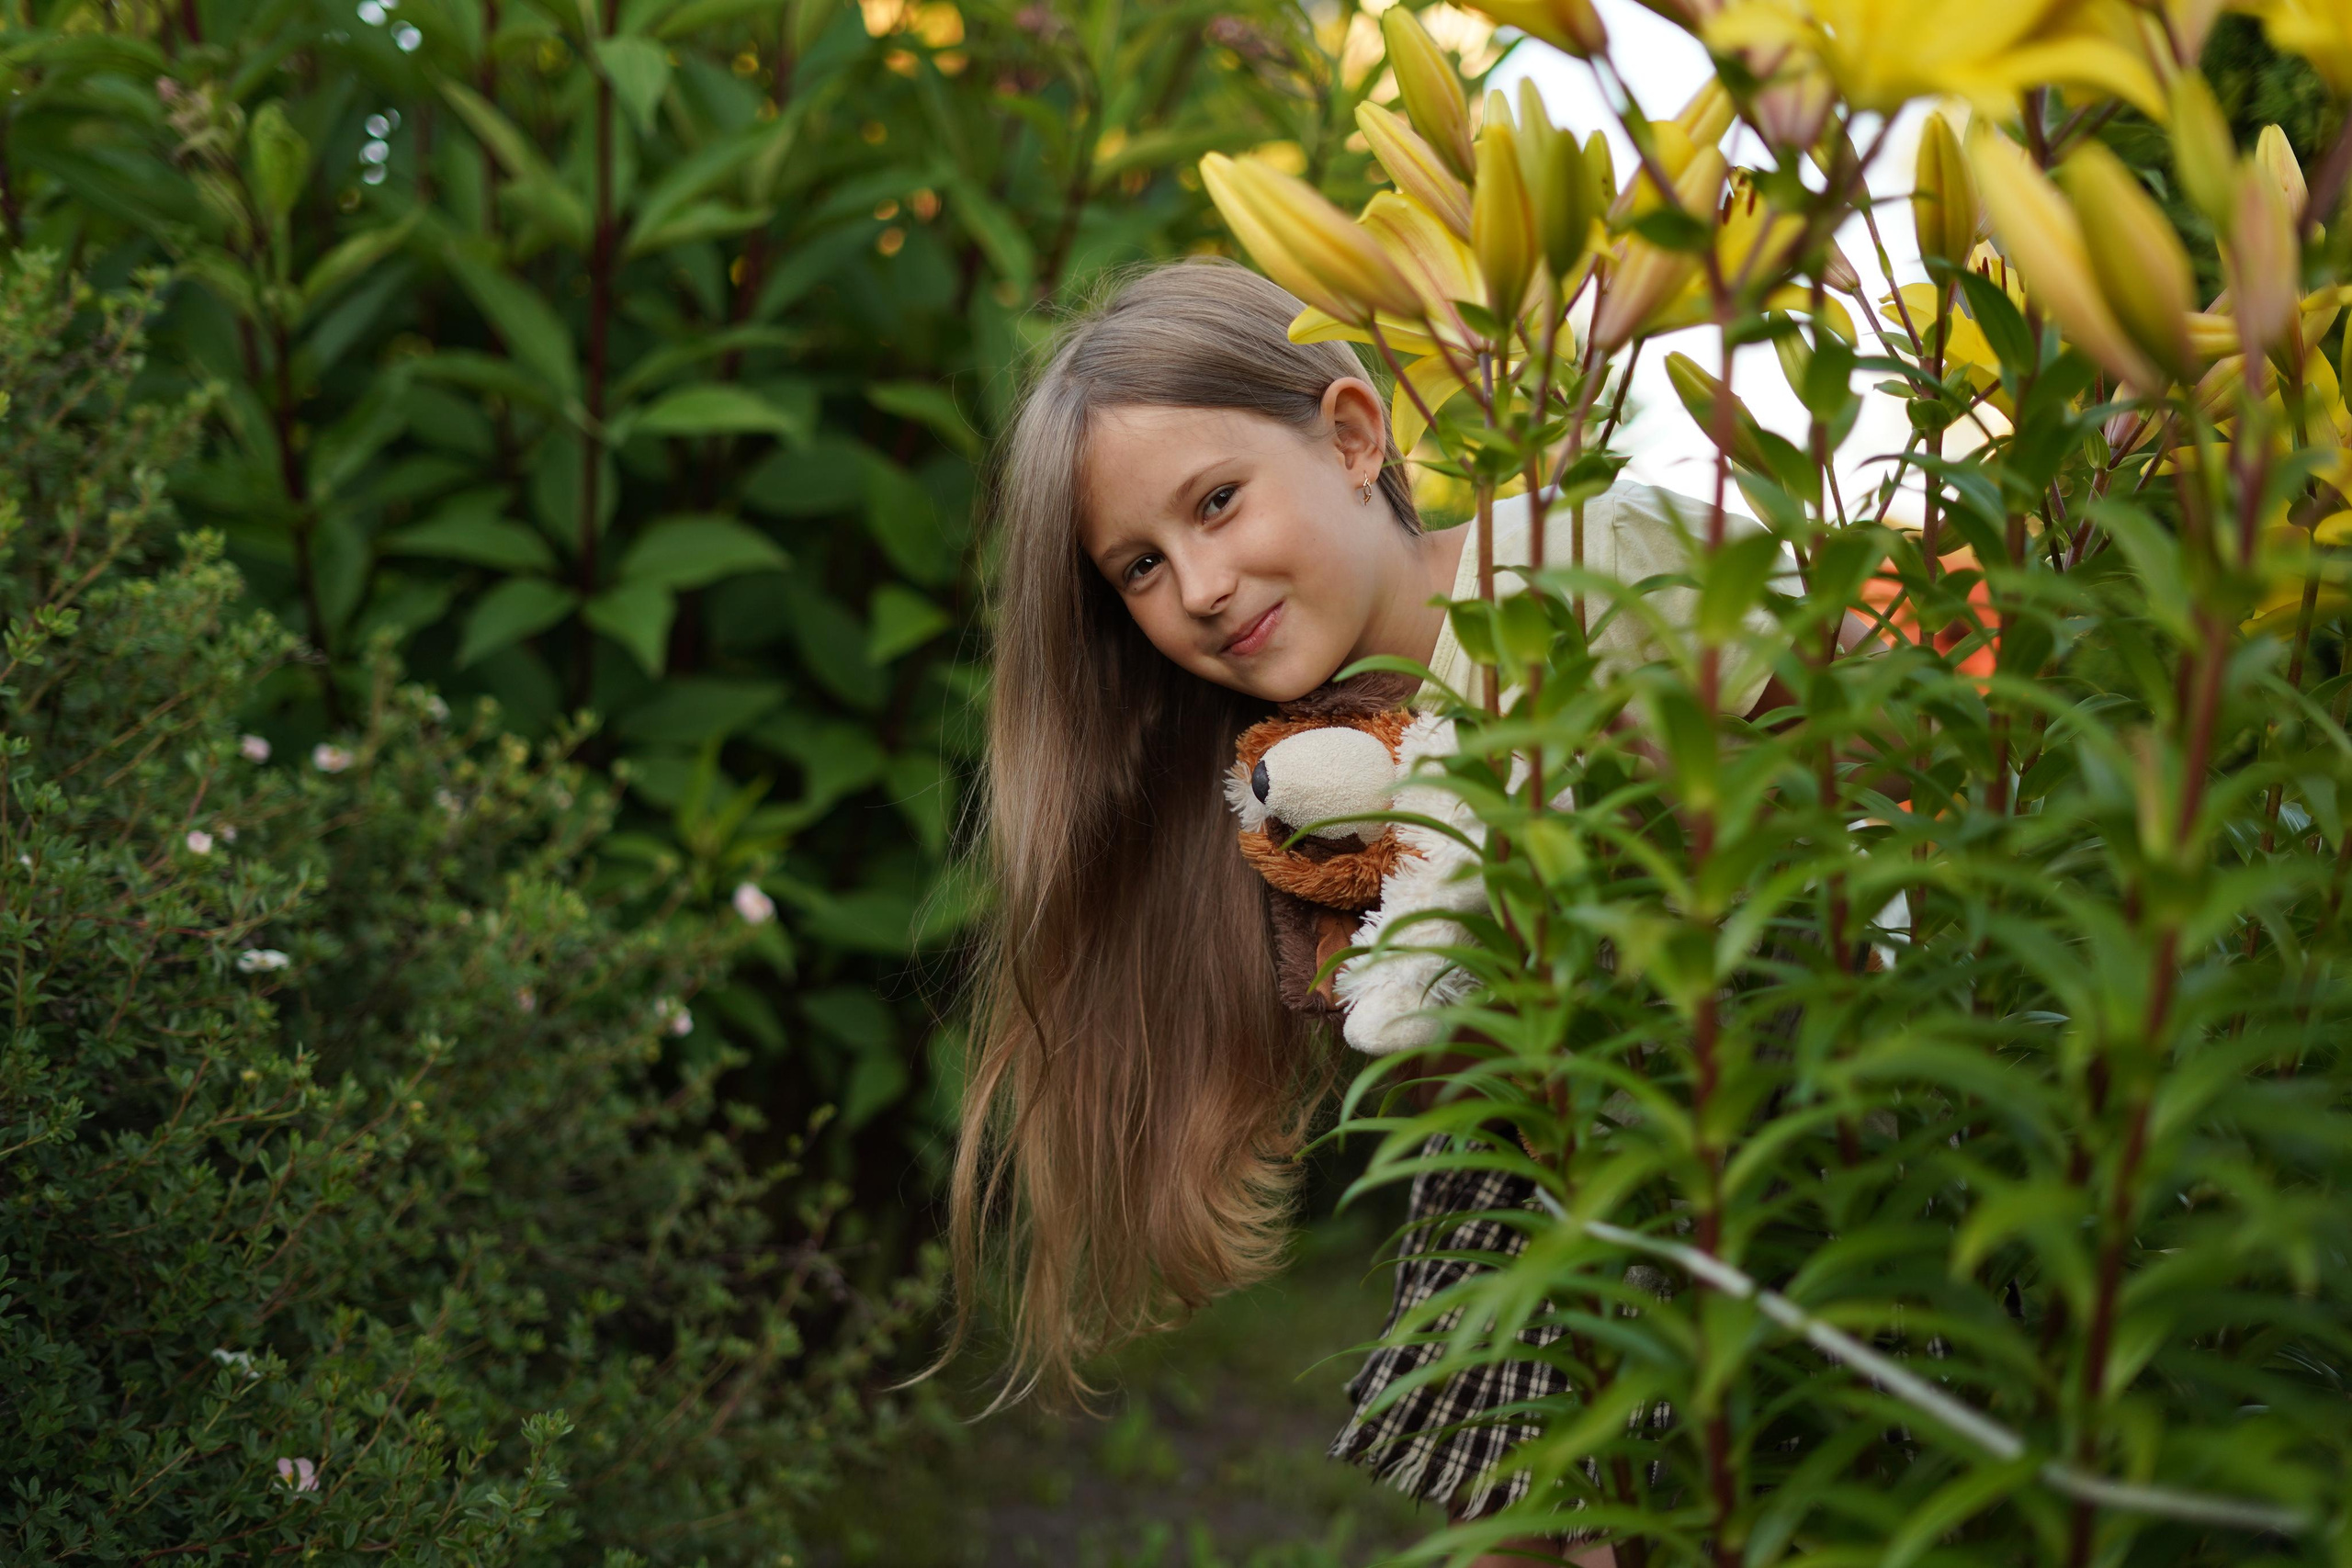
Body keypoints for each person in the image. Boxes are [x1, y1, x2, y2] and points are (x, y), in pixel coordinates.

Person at [945, 256, 1805, 1564]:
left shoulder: (1588, 559)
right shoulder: (1295, 780)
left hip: (1788, 1144)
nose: (1200, 588)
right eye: (1138, 567)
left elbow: (1854, 752)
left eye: (1218, 503)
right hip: (1554, 1205)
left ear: (1354, 437)